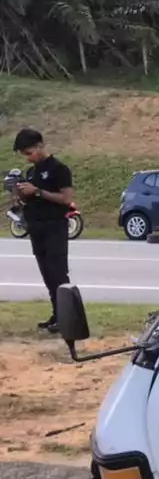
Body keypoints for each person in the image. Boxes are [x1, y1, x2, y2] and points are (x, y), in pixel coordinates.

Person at [11, 129, 74, 333]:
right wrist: (19, 196)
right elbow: (30, 198)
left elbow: (65, 198)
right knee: (47, 275)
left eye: (29, 153)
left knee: (58, 274)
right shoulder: (32, 172)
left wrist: (37, 191)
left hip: (54, 227)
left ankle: (69, 319)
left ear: (40, 146)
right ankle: (57, 314)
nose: (28, 158)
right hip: (36, 228)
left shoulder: (59, 169)